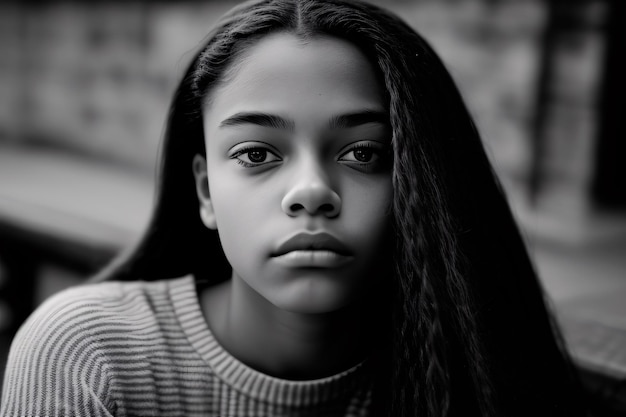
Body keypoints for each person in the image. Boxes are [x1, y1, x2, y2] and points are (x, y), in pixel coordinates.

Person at [1, 0, 587, 416]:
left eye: (364, 152)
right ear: (205, 191)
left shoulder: (470, 373)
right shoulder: (89, 352)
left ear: (419, 183)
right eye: (256, 153)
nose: (311, 190)